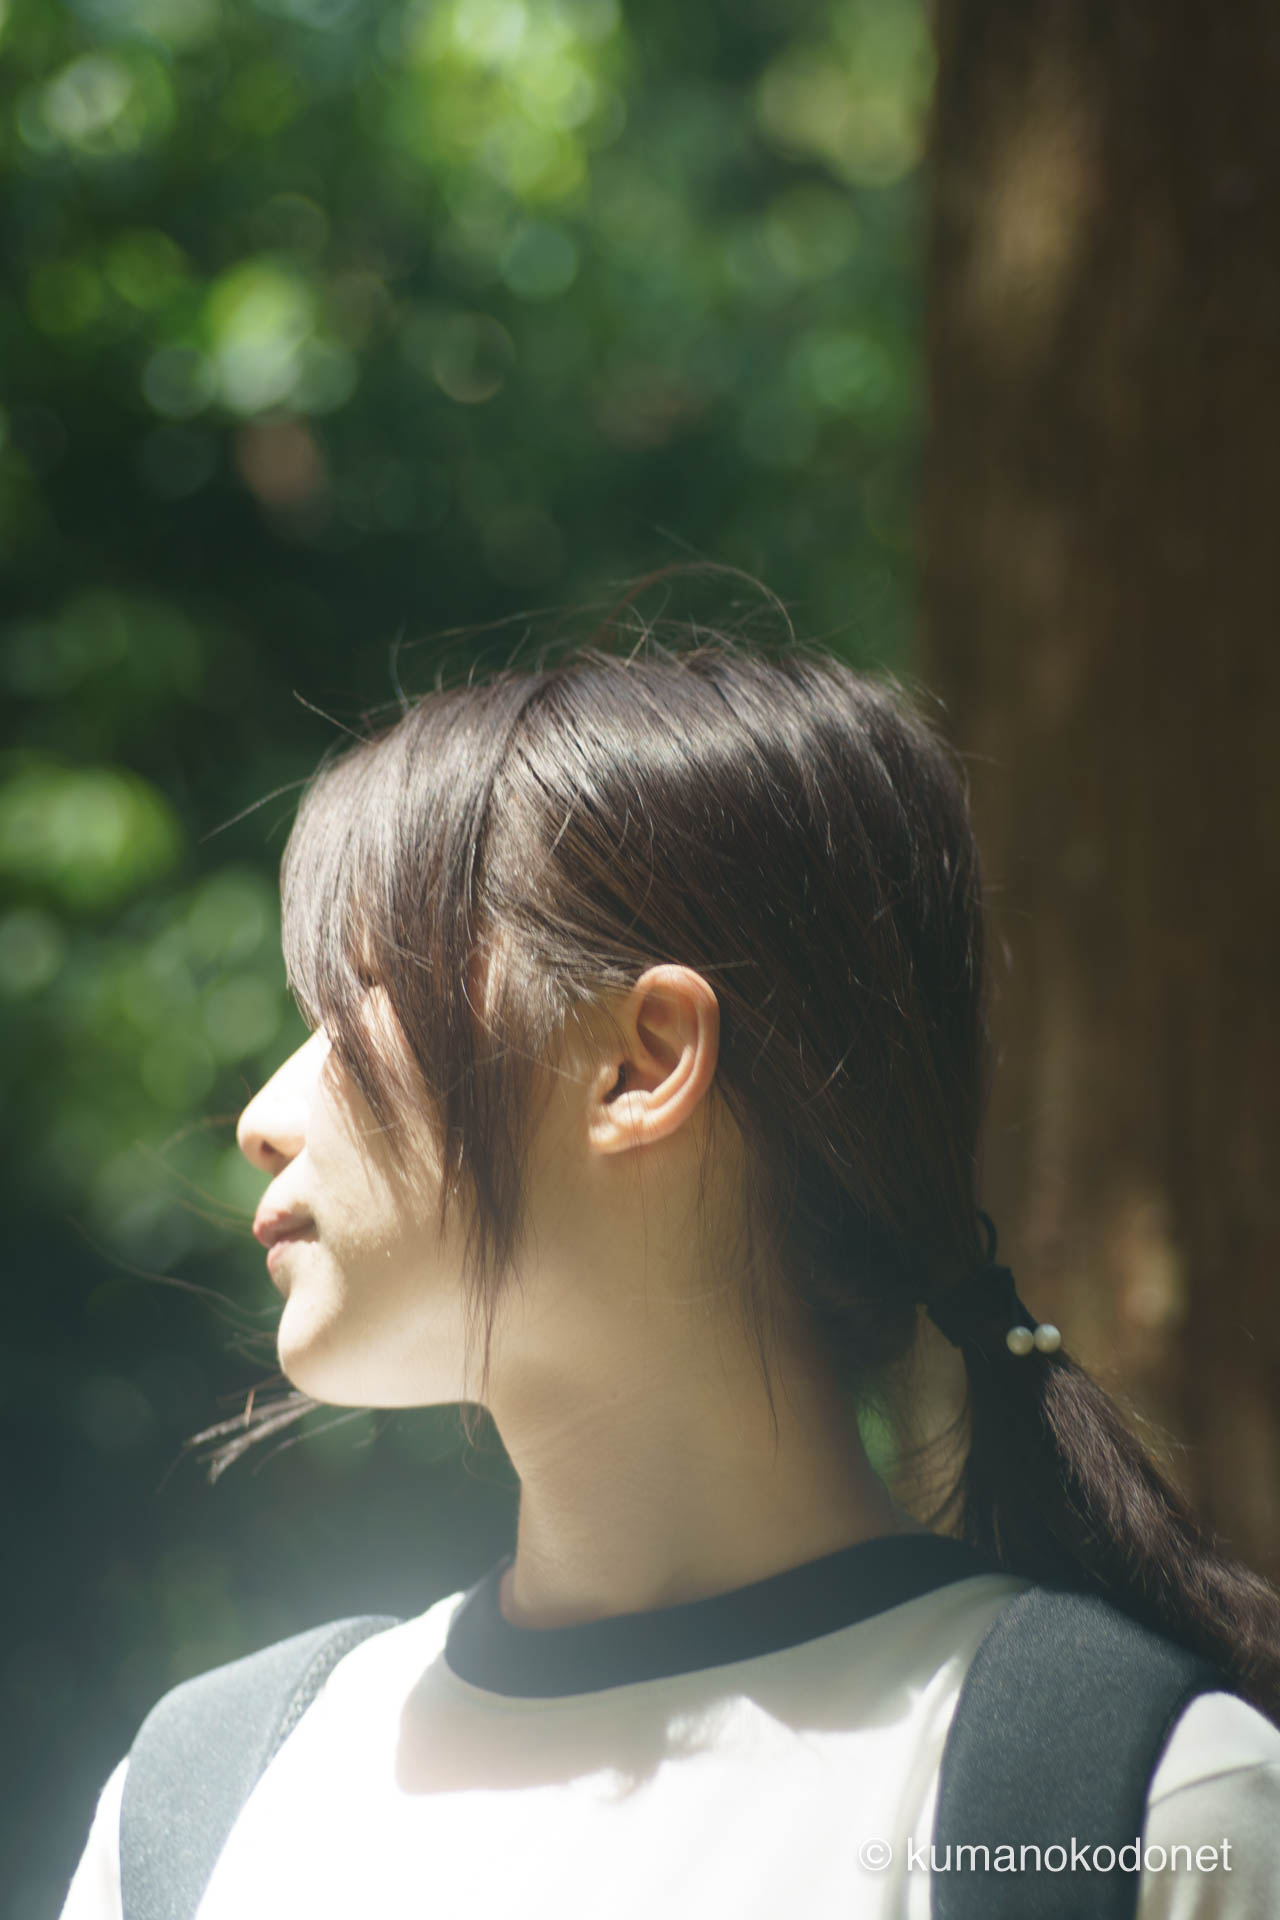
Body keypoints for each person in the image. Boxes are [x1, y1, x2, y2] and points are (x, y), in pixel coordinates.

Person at [59, 614, 1280, 1919]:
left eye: (358, 999)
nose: (261, 1115)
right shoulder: (203, 1801)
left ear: (642, 1063)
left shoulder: (1135, 1808)